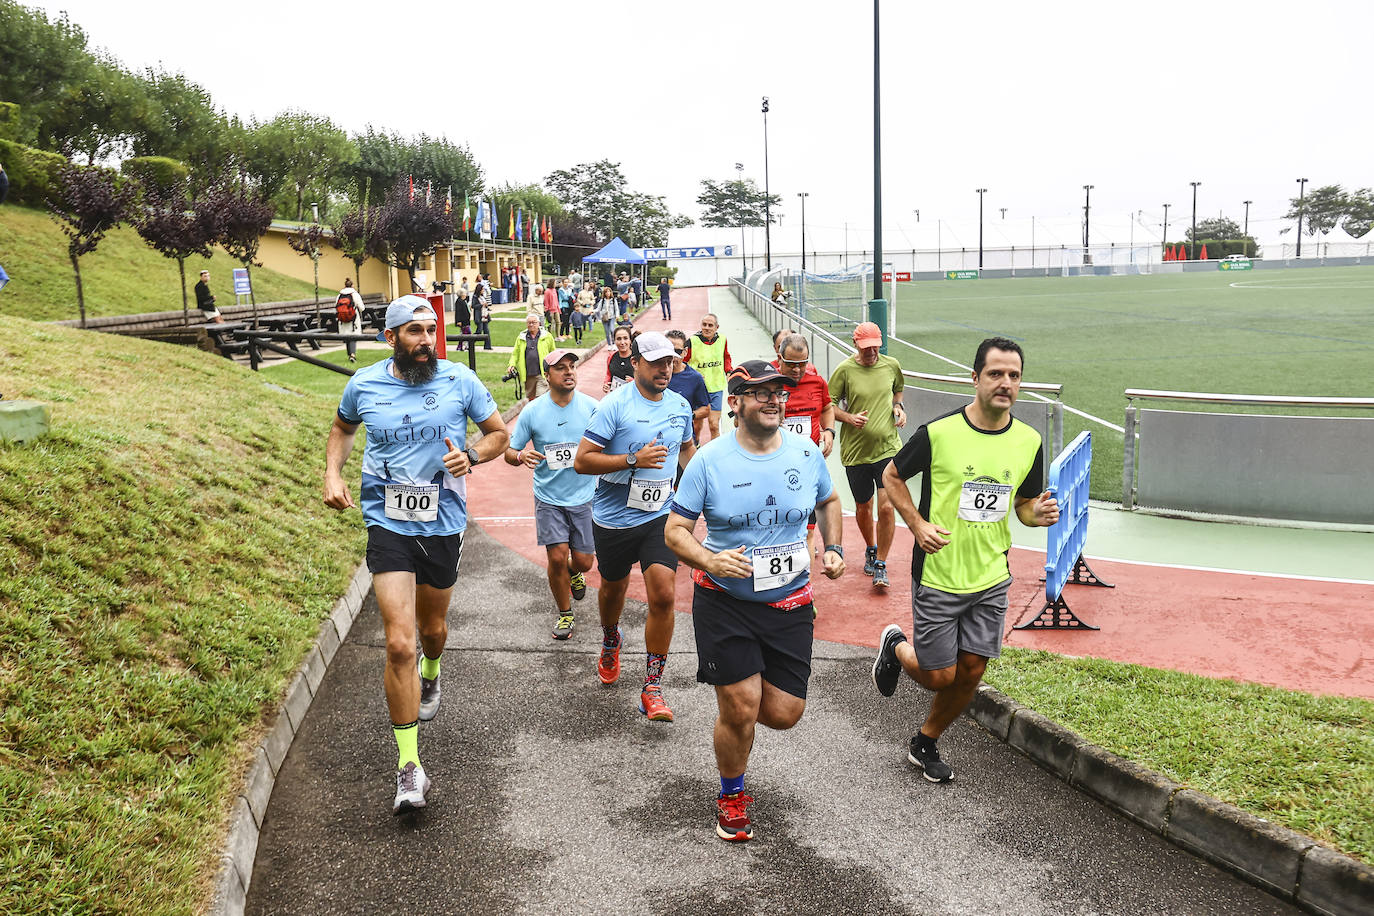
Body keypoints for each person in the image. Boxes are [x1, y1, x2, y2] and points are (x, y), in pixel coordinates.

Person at [323, 295, 509, 814]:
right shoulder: (364, 385)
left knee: (431, 633)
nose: (426, 340)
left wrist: (471, 454)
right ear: (391, 339)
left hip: (443, 522)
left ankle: (434, 670)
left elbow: (499, 433)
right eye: (414, 332)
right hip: (387, 522)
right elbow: (342, 428)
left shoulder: (460, 381)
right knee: (399, 643)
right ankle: (410, 768)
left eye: (431, 330)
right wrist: (333, 472)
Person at [664, 360, 845, 842]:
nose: (773, 399)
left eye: (779, 392)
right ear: (736, 402)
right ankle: (731, 791)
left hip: (789, 603)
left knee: (784, 713)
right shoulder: (709, 460)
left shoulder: (806, 453)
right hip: (725, 601)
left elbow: (828, 501)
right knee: (742, 706)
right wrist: (709, 560)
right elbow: (675, 531)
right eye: (760, 392)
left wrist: (833, 547)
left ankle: (736, 702)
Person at [871, 337, 1057, 783]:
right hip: (940, 573)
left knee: (972, 670)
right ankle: (896, 646)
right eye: (996, 373)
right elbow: (891, 476)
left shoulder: (1028, 440)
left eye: (1014, 375)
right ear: (975, 378)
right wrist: (916, 525)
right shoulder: (939, 433)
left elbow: (1025, 505)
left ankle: (925, 741)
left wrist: (1039, 513)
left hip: (992, 575)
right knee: (939, 676)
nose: (1005, 383)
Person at [573, 331, 696, 722]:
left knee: (663, 595)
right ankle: (611, 638)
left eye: (671, 362)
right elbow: (583, 461)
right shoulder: (614, 405)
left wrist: (705, 492)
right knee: (612, 588)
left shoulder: (679, 406)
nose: (666, 369)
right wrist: (632, 460)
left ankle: (653, 686)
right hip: (612, 519)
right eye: (658, 362)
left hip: (660, 516)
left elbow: (687, 452)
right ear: (637, 363)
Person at [504, 350, 599, 639]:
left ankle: (575, 572)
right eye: (561, 368)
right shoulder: (532, 411)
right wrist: (521, 457)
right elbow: (509, 451)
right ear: (548, 376)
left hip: (585, 496)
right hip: (549, 497)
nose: (569, 372)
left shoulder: (592, 407)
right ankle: (565, 614)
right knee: (556, 558)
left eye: (572, 367)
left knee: (584, 561)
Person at [829, 322, 905, 589]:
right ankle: (871, 548)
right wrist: (848, 417)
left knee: (886, 507)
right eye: (866, 347)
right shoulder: (845, 370)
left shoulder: (891, 365)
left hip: (887, 447)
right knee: (864, 506)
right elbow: (828, 405)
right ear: (855, 344)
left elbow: (897, 391)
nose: (872, 352)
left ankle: (881, 564)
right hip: (856, 453)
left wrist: (898, 407)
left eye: (875, 346)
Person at [775, 334, 836, 557]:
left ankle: (805, 589)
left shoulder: (817, 382)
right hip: (774, 467)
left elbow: (828, 408)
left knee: (808, 532)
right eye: (791, 364)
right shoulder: (768, 383)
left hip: (807, 467)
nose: (797, 370)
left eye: (803, 364)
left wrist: (829, 431)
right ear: (779, 357)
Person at [687, 313, 732, 443]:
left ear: (716, 327)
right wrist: (692, 374)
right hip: (697, 389)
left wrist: (728, 370)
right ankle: (696, 447)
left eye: (710, 325)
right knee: (696, 426)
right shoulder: (692, 341)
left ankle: (715, 453)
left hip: (716, 387)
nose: (707, 328)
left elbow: (726, 357)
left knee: (714, 425)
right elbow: (682, 362)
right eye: (704, 325)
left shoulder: (722, 339)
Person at [664, 330, 711, 447]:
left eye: (677, 351)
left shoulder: (695, 378)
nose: (673, 355)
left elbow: (706, 409)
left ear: (685, 352)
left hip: (683, 442)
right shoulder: (654, 374)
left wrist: (687, 415)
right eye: (669, 350)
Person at [507, 313, 556, 401]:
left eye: (534, 322)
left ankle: (541, 414)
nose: (531, 324)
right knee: (530, 398)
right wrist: (511, 365)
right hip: (528, 374)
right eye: (529, 323)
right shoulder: (521, 337)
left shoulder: (547, 336)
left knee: (540, 398)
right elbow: (515, 353)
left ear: (539, 323)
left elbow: (553, 352)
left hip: (542, 373)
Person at [336, 279, 364, 362]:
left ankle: (349, 354)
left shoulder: (340, 295)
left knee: (346, 336)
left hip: (342, 319)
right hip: (353, 318)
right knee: (353, 336)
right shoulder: (355, 294)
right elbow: (362, 307)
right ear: (352, 285)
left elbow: (336, 306)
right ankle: (352, 354)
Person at [603, 325, 635, 392]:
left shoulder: (637, 358)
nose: (622, 342)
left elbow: (646, 380)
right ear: (614, 341)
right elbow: (608, 374)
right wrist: (606, 384)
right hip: (615, 397)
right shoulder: (611, 357)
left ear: (630, 340)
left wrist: (634, 382)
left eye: (625, 338)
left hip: (634, 398)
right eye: (619, 339)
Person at [451, 281, 472, 352]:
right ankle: (463, 347)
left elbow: (468, 299)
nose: (466, 295)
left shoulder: (464, 301)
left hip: (466, 320)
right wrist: (458, 321)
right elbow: (458, 312)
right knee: (467, 334)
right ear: (461, 295)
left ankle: (461, 347)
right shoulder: (459, 302)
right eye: (464, 294)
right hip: (463, 321)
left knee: (464, 334)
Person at [475, 276, 493, 350]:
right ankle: (470, 342)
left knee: (487, 332)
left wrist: (486, 306)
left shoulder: (482, 297)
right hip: (480, 316)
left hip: (485, 316)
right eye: (482, 290)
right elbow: (474, 306)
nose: (483, 291)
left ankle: (487, 346)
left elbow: (485, 304)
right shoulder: (475, 297)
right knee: (479, 331)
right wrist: (481, 305)